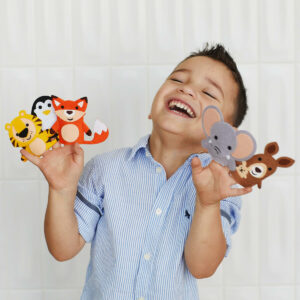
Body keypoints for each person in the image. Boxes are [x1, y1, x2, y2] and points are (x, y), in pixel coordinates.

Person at [21, 43, 253, 300]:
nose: (186, 88)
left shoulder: (222, 188)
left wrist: (208, 204)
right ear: (151, 110)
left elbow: (202, 267)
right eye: (177, 78)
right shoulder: (106, 169)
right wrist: (62, 191)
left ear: (223, 134)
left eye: (208, 93)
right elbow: (62, 249)